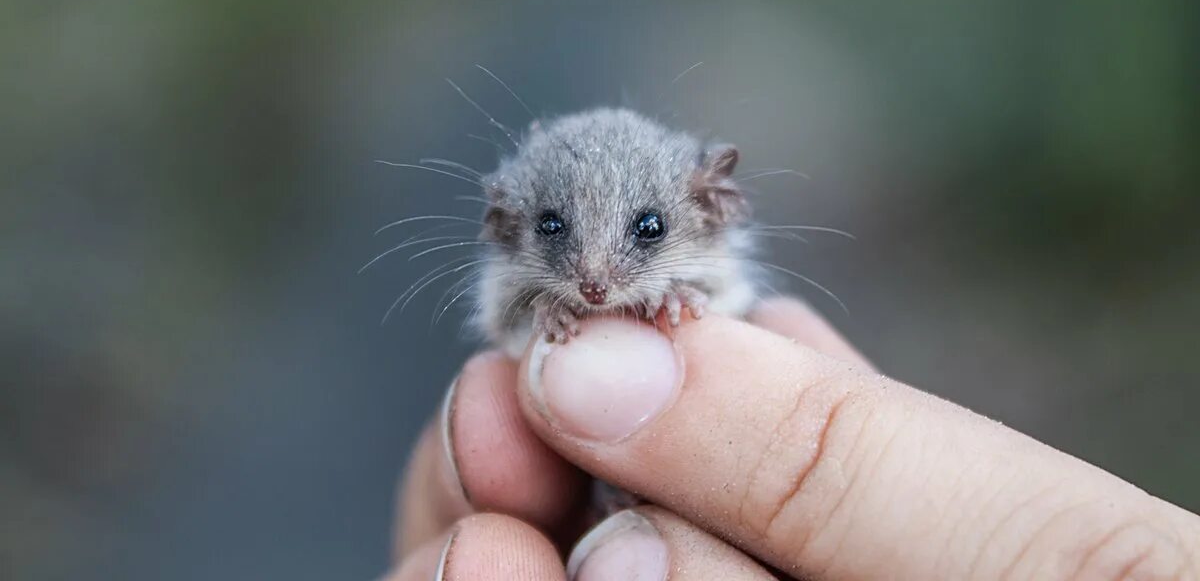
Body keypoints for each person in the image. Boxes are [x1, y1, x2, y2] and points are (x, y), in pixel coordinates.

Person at [386, 299, 1200, 580]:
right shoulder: (524, 290)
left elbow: (722, 298)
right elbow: (504, 322)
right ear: (511, 221)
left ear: (710, 205)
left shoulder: (710, 281)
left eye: (640, 229)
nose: (596, 274)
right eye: (560, 229)